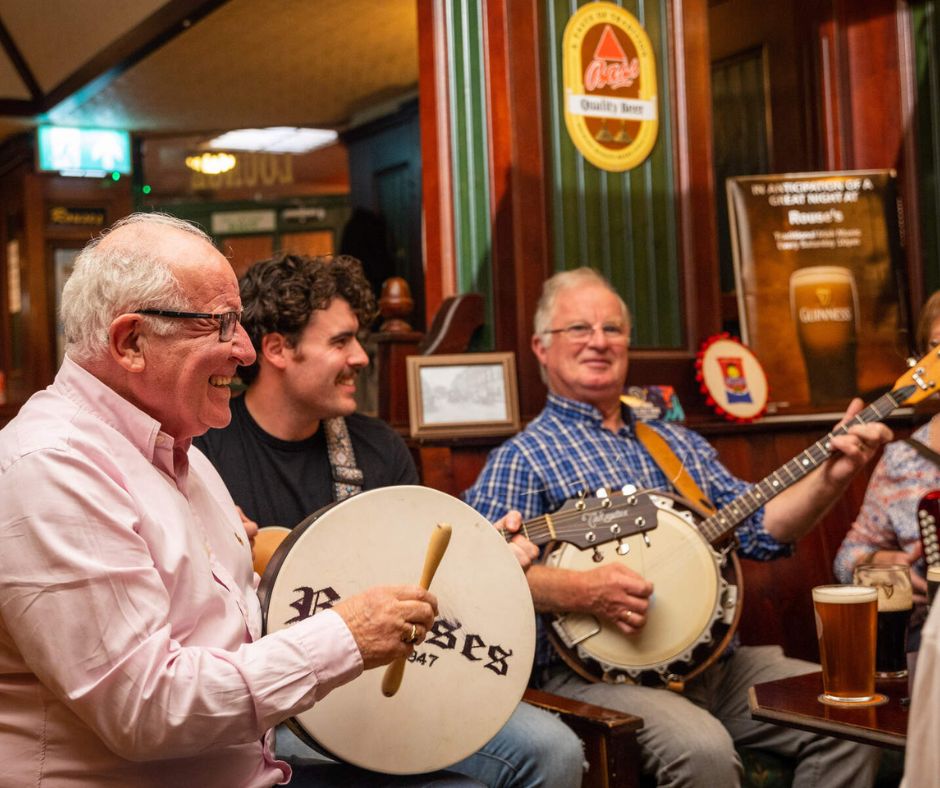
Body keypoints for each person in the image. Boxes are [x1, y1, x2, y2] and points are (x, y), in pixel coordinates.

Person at [0, 213, 475, 787]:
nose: (247, 351)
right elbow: (148, 710)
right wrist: (346, 635)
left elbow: (231, 620)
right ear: (131, 342)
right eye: (221, 325)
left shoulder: (182, 451)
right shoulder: (53, 467)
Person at [463, 267, 892, 787]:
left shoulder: (677, 444)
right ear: (541, 347)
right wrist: (584, 590)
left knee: (850, 713)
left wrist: (832, 477)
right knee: (701, 751)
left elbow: (762, 529)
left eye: (613, 328)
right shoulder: (523, 457)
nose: (599, 341)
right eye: (578, 328)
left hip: (719, 666)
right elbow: (481, 574)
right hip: (594, 680)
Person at [194, 252, 584, 788]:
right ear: (278, 349)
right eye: (340, 341)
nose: (361, 357)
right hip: (278, 702)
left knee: (553, 750)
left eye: (357, 339)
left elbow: (422, 581)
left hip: (391, 679)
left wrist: (486, 561)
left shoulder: (376, 448)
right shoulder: (205, 449)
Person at [834, 290, 940, 648]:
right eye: (937, 348)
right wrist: (885, 564)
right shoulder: (903, 460)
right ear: (922, 363)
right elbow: (846, 560)